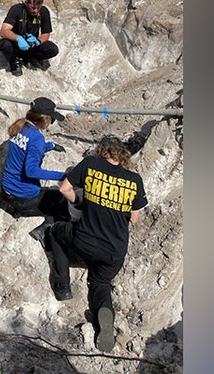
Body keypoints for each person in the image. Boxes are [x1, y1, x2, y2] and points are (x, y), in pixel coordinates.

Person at [45, 135, 148, 352]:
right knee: (100, 283)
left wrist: (82, 202)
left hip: (83, 241)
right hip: (114, 252)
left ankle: (63, 286)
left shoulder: (91, 164)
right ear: (122, 156)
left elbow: (64, 189)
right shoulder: (135, 180)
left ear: (102, 151)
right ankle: (104, 314)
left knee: (54, 232)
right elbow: (134, 218)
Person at [0, 97, 72, 230]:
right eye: (52, 119)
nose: (52, 123)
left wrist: (50, 145)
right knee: (63, 200)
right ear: (45, 120)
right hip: (22, 198)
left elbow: (28, 147)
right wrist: (63, 176)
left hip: (6, 191)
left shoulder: (21, 127)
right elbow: (32, 171)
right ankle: (44, 230)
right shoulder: (37, 138)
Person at [0, 0, 59, 76]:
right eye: (33, 7)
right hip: (16, 44)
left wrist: (38, 41)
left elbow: (46, 34)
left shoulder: (43, 12)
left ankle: (31, 59)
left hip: (31, 45)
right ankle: (14, 61)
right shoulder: (17, 10)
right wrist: (18, 38)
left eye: (38, 8)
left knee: (52, 49)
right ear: (26, 3)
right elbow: (3, 31)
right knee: (4, 45)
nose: (35, 11)